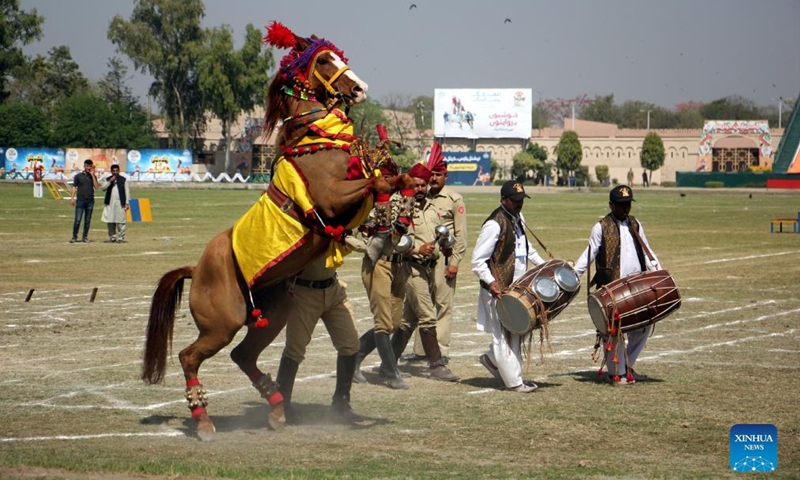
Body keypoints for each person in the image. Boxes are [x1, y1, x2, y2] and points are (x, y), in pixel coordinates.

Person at [573, 185, 661, 385]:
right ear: (611, 204)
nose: (625, 208)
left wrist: (658, 271)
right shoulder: (601, 227)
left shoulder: (635, 224)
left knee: (644, 326)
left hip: (637, 286)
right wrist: (574, 275)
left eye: (628, 204)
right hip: (611, 289)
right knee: (614, 331)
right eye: (621, 205)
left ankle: (626, 365)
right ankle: (617, 373)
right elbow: (590, 254)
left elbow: (648, 251)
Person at [471, 181, 547, 393]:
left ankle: (492, 360)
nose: (519, 204)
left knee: (518, 331)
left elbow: (527, 249)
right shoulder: (494, 224)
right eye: (515, 201)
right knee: (504, 335)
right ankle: (514, 383)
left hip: (518, 288)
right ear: (503, 200)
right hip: (498, 290)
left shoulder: (519, 219)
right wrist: (492, 282)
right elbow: (477, 260)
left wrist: (546, 267)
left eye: (522, 200)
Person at [274, 256, 364, 424]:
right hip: (304, 291)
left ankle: (341, 404)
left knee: (350, 344)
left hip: (334, 289)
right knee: (295, 348)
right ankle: (281, 405)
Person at [392, 163, 459, 382]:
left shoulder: (431, 207)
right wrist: (416, 249)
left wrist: (447, 248)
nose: (420, 188)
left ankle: (388, 362)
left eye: (423, 184)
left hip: (429, 269)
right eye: (416, 184)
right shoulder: (401, 206)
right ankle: (436, 365)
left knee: (407, 322)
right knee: (428, 315)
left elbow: (440, 234)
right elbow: (392, 241)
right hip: (411, 267)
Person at [409, 144, 467, 363]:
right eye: (431, 174)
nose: (433, 178)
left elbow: (461, 235)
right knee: (421, 304)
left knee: (443, 304)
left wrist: (454, 262)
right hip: (421, 258)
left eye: (438, 175)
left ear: (446, 176)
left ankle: (440, 351)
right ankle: (421, 351)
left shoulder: (453, 200)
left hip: (443, 258)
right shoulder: (421, 195)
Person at [352, 186, 415, 390]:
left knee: (393, 324)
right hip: (377, 264)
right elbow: (348, 233)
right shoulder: (365, 203)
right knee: (382, 322)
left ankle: (353, 358)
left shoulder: (404, 201)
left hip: (398, 265)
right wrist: (367, 247)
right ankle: (390, 372)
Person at [100, 164, 130, 243]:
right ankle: (112, 237)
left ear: (119, 171)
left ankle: (121, 237)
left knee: (121, 221)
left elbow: (127, 191)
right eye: (114, 171)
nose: (115, 172)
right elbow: (103, 188)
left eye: (117, 171)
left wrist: (127, 203)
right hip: (110, 203)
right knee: (110, 221)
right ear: (111, 171)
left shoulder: (123, 179)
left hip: (120, 203)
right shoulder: (108, 179)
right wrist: (110, 181)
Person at [70, 159, 98, 243]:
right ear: (84, 166)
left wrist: (93, 176)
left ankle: (85, 237)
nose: (89, 168)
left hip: (90, 201)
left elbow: (96, 187)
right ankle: (74, 237)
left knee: (87, 220)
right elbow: (74, 187)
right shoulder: (78, 176)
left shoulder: (93, 176)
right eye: (87, 166)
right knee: (78, 220)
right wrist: (72, 198)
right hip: (80, 200)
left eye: (90, 166)